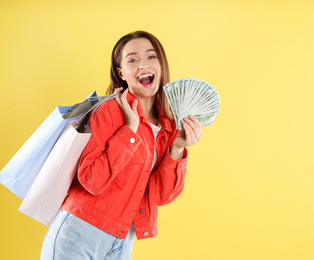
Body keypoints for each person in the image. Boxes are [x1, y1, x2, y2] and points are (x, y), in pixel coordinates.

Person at [41, 30, 202, 259]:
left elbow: (162, 196)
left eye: (151, 57)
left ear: (161, 65)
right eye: (132, 60)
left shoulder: (169, 125)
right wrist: (130, 130)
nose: (143, 65)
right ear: (121, 73)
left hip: (123, 243)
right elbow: (92, 180)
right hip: (77, 237)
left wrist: (176, 149)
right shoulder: (109, 111)